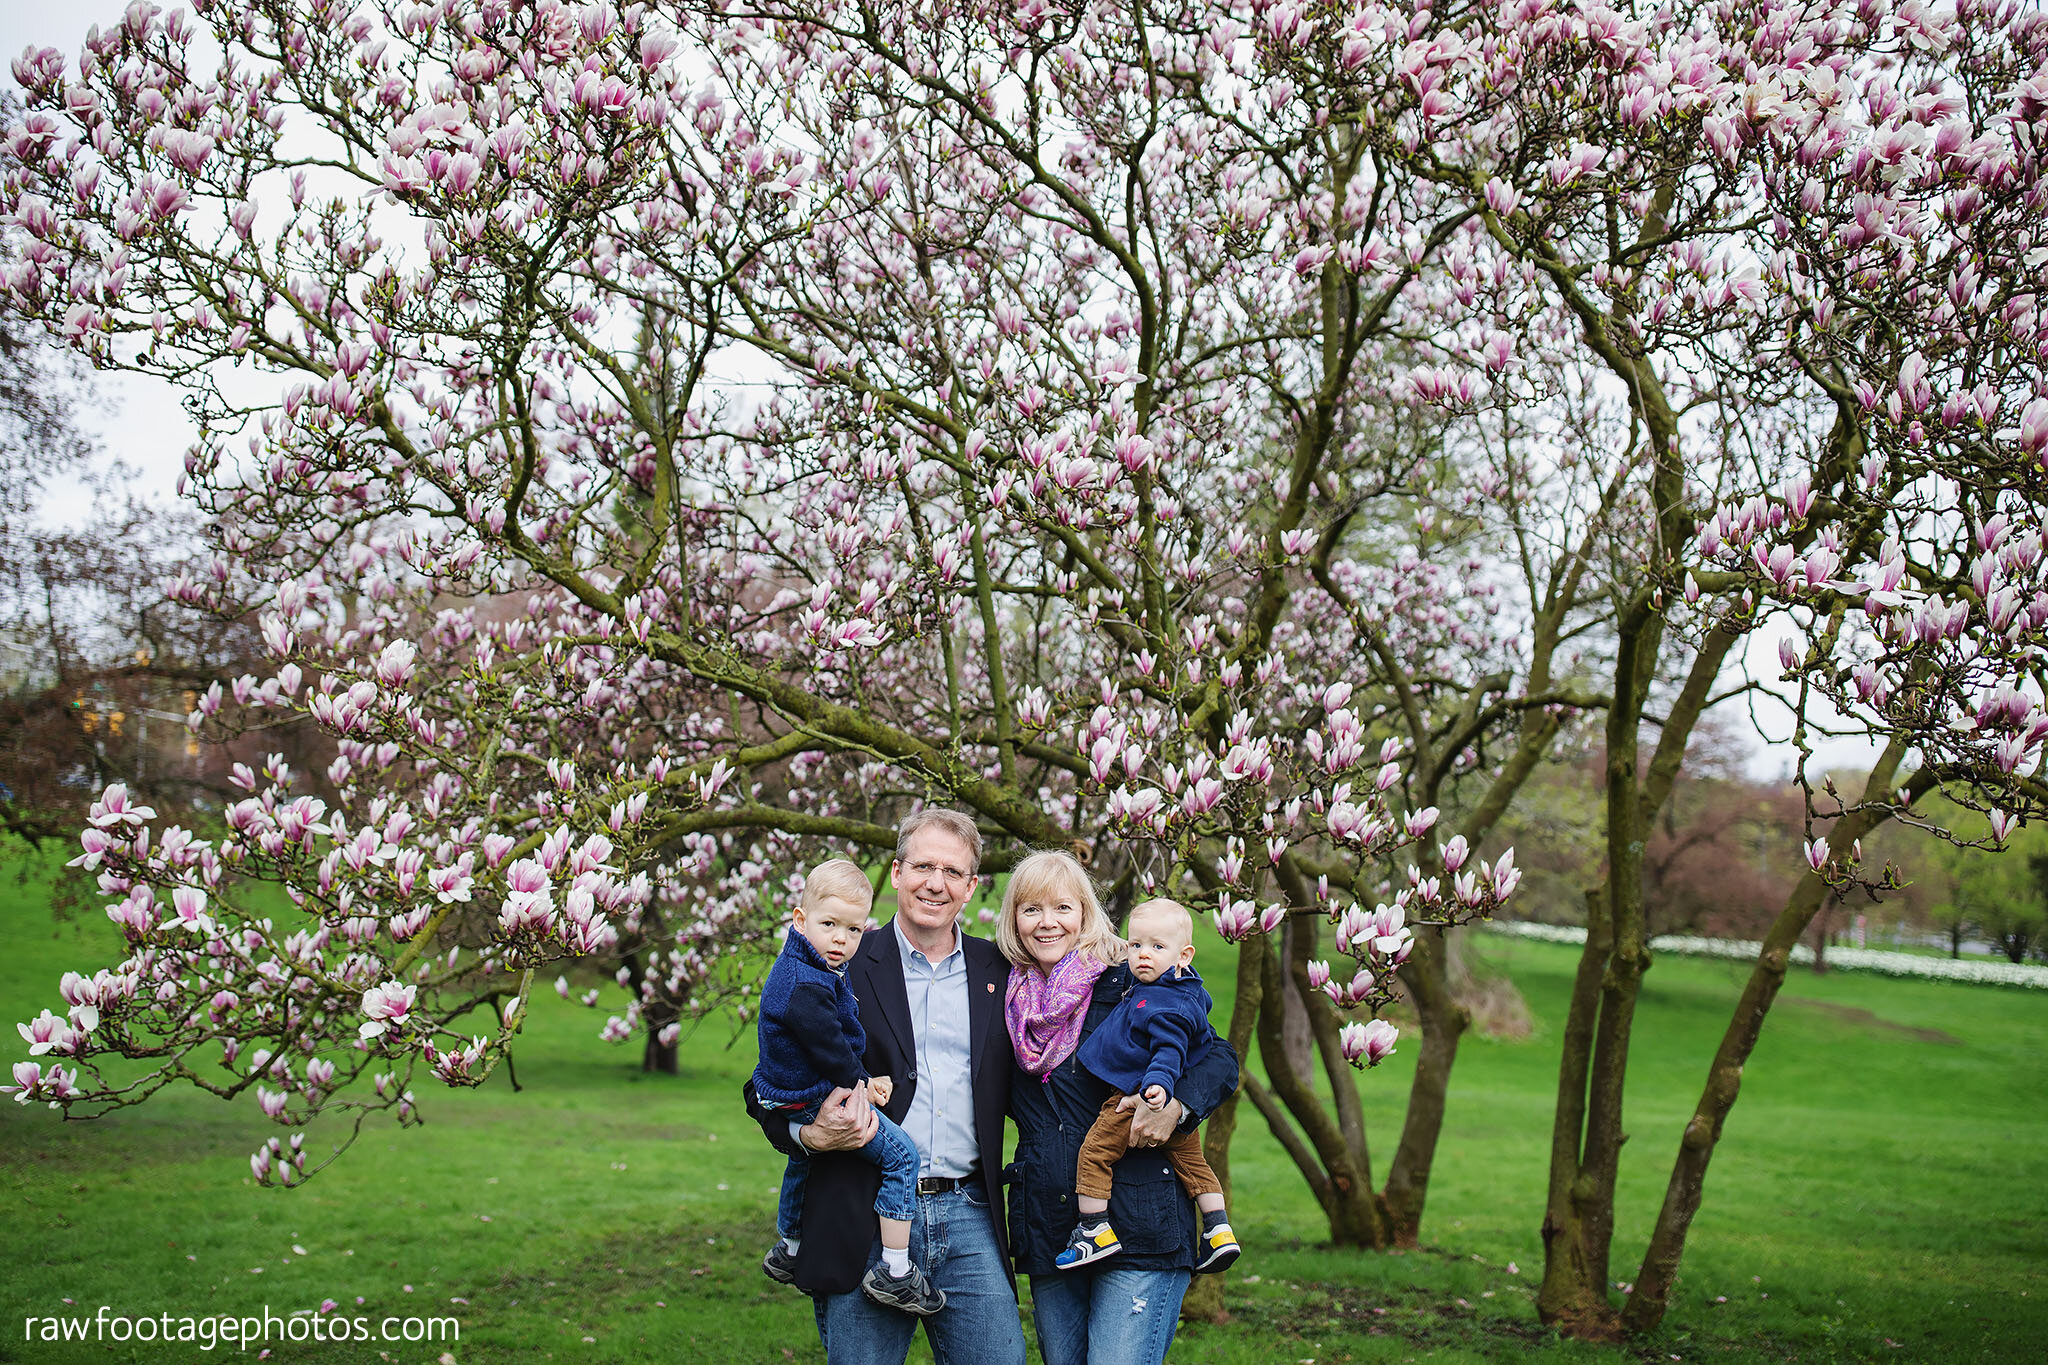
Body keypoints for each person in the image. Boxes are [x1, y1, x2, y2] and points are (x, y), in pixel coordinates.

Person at [742, 810, 1027, 1365]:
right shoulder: (838, 959)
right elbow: (765, 1083)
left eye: (952, 871)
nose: (934, 883)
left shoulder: (1001, 969)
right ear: (896, 872)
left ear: (972, 886)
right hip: (860, 1208)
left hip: (970, 1212)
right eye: (922, 865)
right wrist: (806, 1134)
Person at [998, 852, 1241, 1365]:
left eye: (1062, 907)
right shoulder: (1006, 997)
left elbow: (1217, 1058)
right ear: (1012, 919)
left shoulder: (1129, 979)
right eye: (1031, 909)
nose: (1047, 923)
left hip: (1141, 1220)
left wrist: (1176, 1107)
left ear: (1084, 913)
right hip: (1052, 1225)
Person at [752, 859, 941, 1315]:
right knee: (902, 1157)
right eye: (830, 924)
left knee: (802, 1162)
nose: (842, 939)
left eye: (853, 930)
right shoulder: (806, 982)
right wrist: (861, 1082)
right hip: (814, 1093)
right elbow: (829, 1045)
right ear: (800, 920)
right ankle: (895, 1271)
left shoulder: (810, 965)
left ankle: (790, 1245)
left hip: (788, 1090)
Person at [1056, 896, 1239, 1273]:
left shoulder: (1163, 1001)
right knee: (1193, 1163)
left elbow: (1173, 1051)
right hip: (1156, 1099)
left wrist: (1164, 1094)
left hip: (1135, 1100)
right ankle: (1219, 1230)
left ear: (1184, 955)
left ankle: (1093, 1230)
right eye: (1135, 945)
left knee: (1095, 1153)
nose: (1142, 955)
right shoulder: (1173, 989)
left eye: (1157, 947)